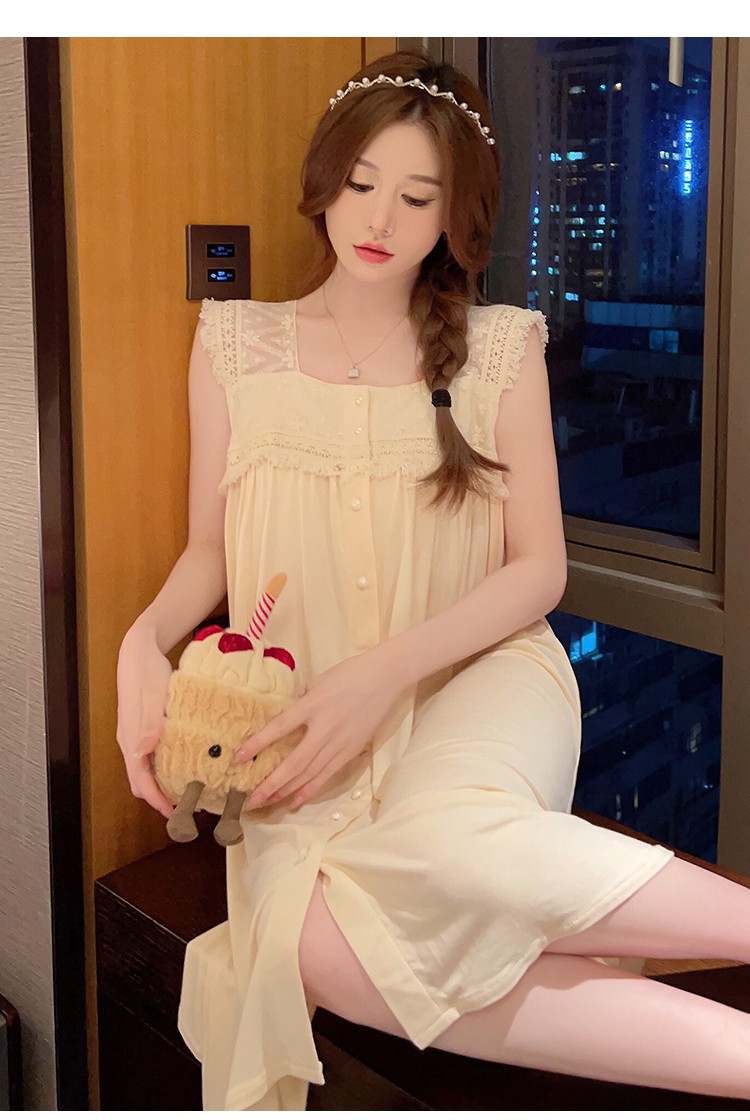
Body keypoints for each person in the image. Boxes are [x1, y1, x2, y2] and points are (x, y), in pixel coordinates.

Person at [116, 49, 750, 1110]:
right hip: (312, 716)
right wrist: (142, 642)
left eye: (417, 197)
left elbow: (539, 570)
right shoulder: (234, 344)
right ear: (323, 180)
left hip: (482, 676)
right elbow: (209, 552)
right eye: (361, 182)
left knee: (453, 850)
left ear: (455, 215)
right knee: (313, 947)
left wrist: (382, 674)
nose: (379, 218)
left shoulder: (499, 349)